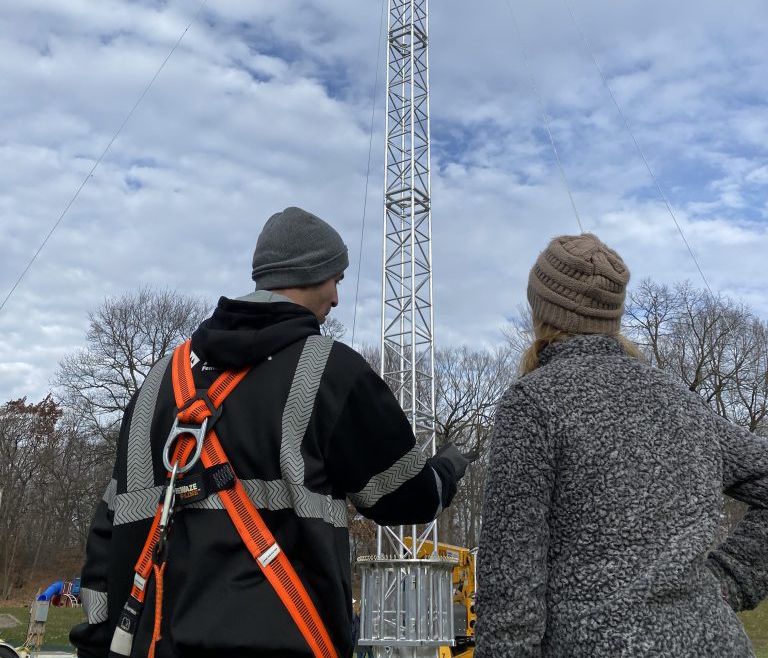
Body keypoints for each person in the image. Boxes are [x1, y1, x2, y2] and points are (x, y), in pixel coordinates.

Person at [72, 207, 475, 658]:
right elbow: (408, 498)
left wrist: (95, 642)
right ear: (312, 274)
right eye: (336, 280)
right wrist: (449, 468)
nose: (337, 299)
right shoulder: (329, 371)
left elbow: (109, 527)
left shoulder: (158, 381)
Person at [476, 232, 768, 658]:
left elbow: (510, 586)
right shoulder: (680, 399)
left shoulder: (534, 403)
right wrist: (728, 580)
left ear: (540, 310)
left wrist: (733, 576)